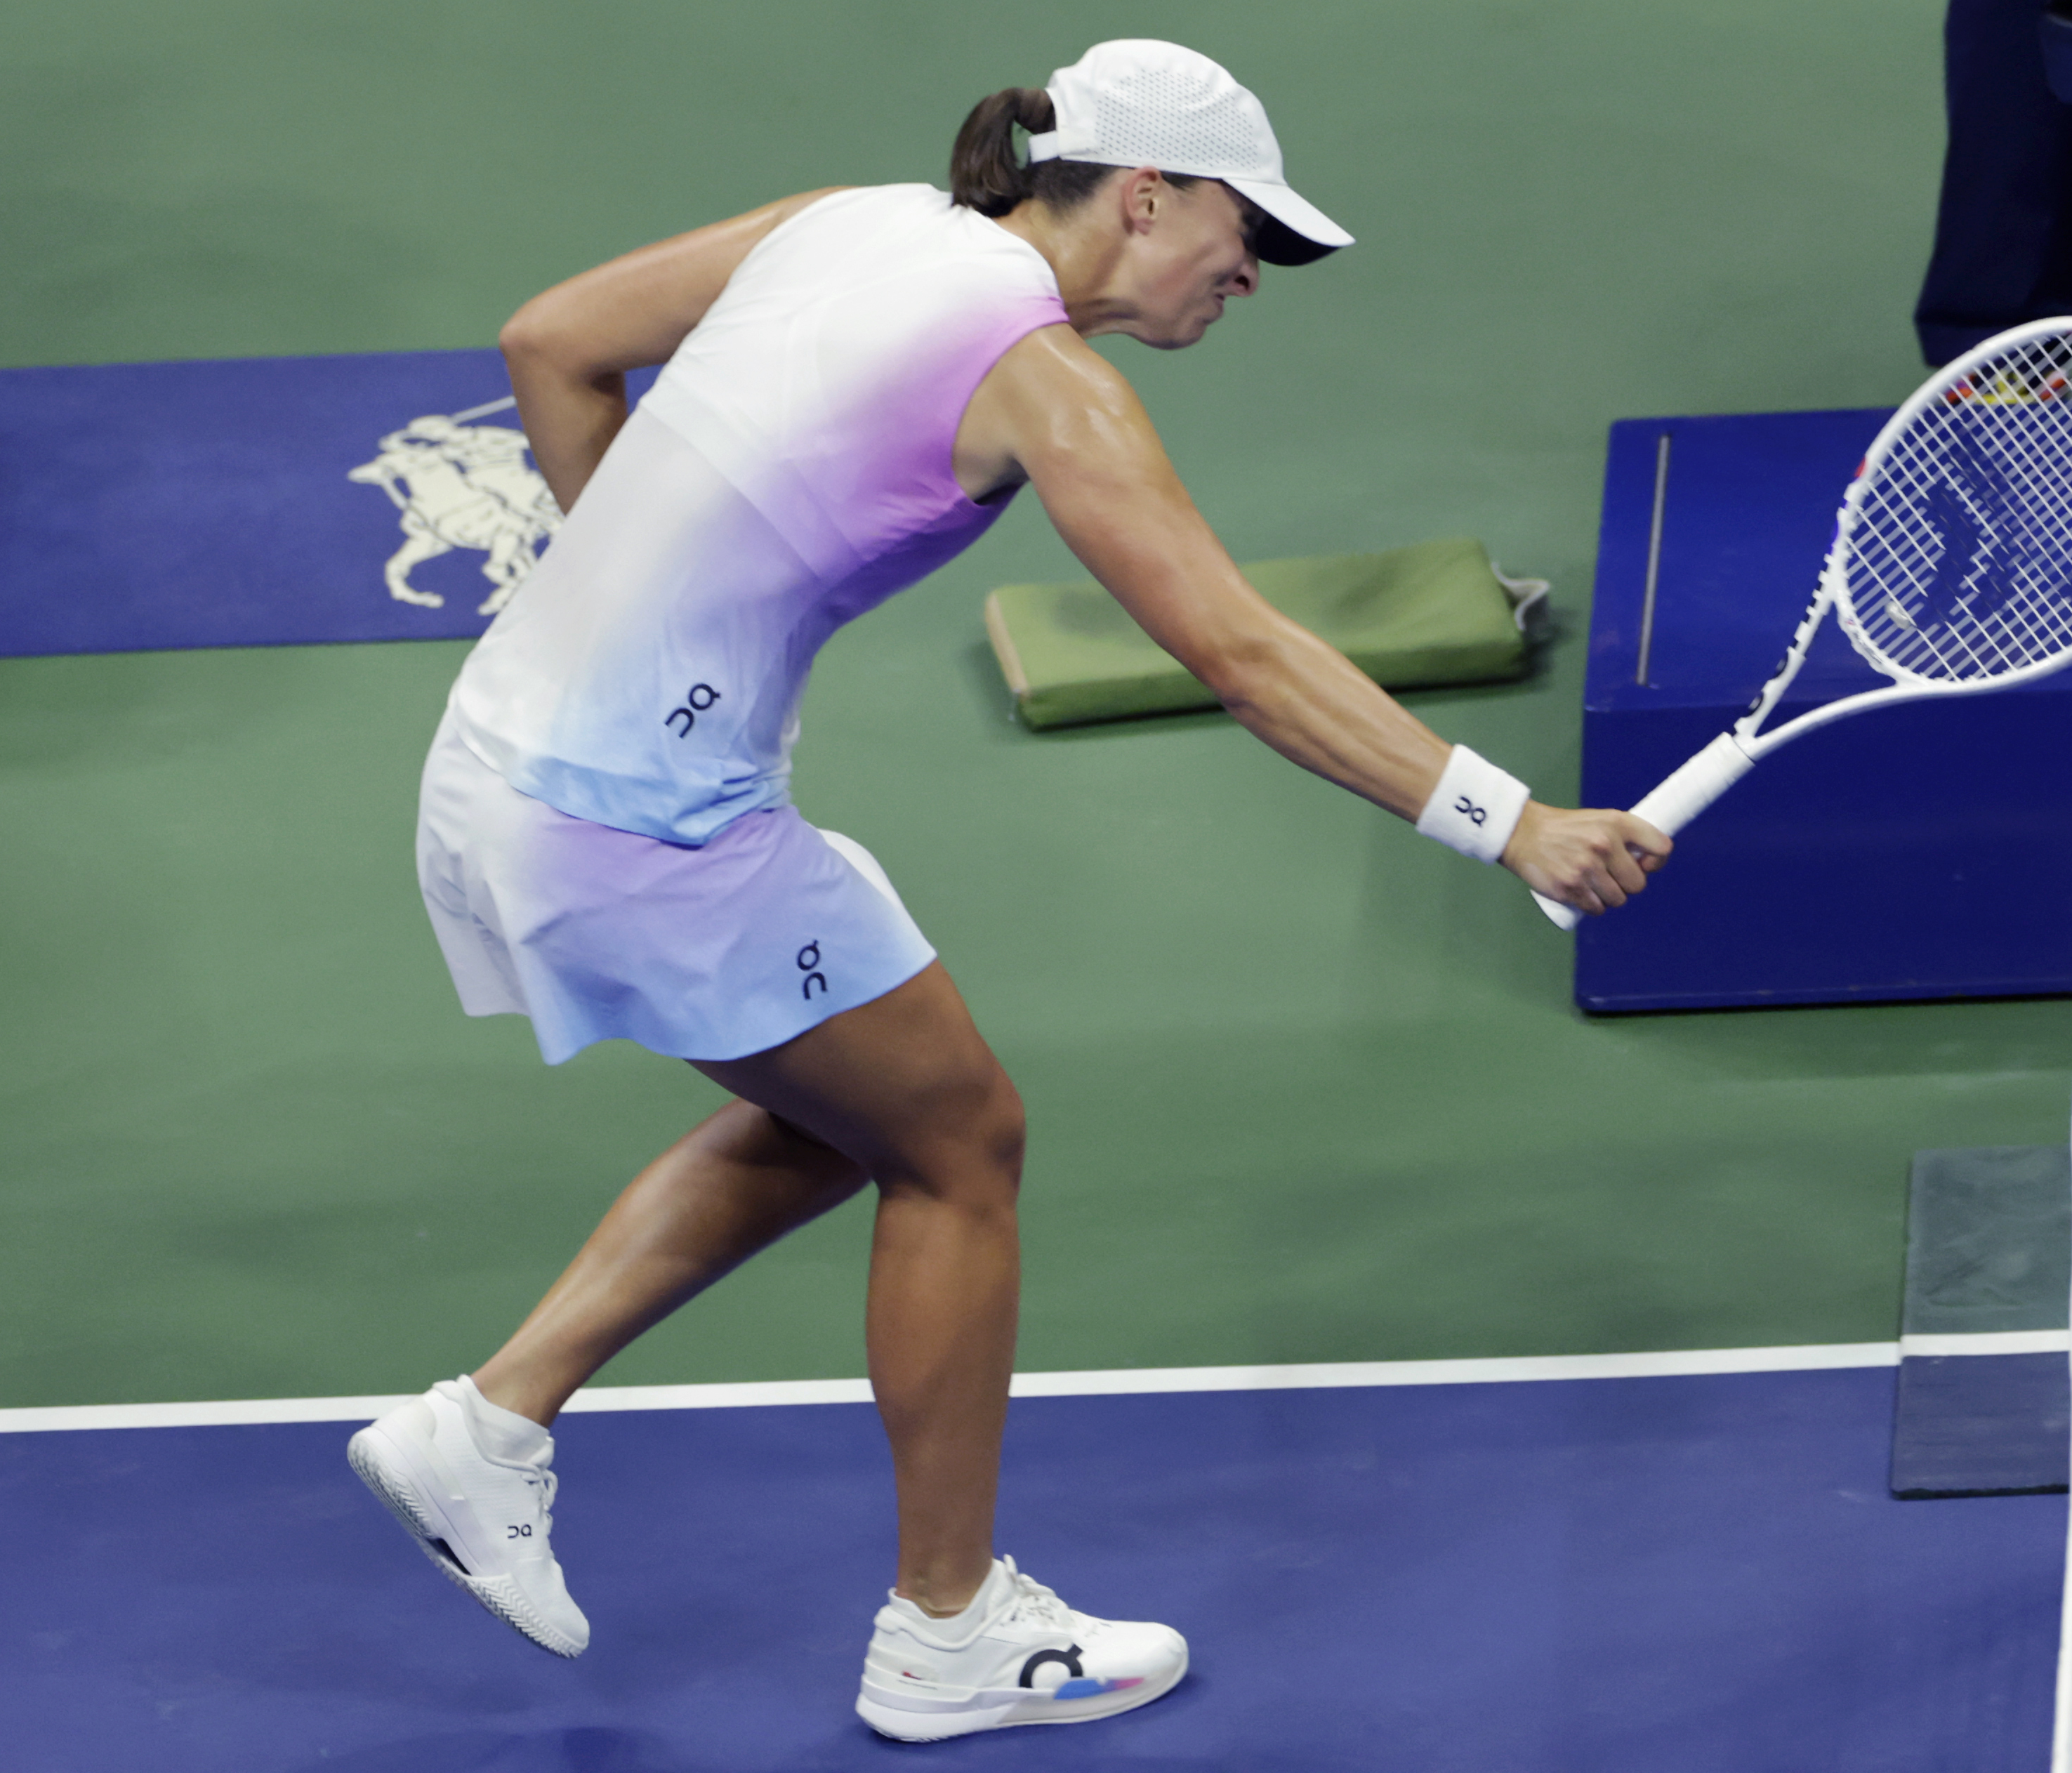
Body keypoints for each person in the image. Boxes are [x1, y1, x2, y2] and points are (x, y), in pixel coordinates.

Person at [345, 39, 1669, 1745]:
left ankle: (491, 1424)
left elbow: (551, 338)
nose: (1252, 273)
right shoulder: (1045, 381)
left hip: (497, 761)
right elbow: (1242, 655)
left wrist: (641, 602)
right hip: (634, 823)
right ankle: (946, 1634)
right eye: (1245, 230)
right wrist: (1512, 823)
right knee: (961, 1145)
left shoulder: (845, 219)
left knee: (866, 1112)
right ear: (1145, 195)